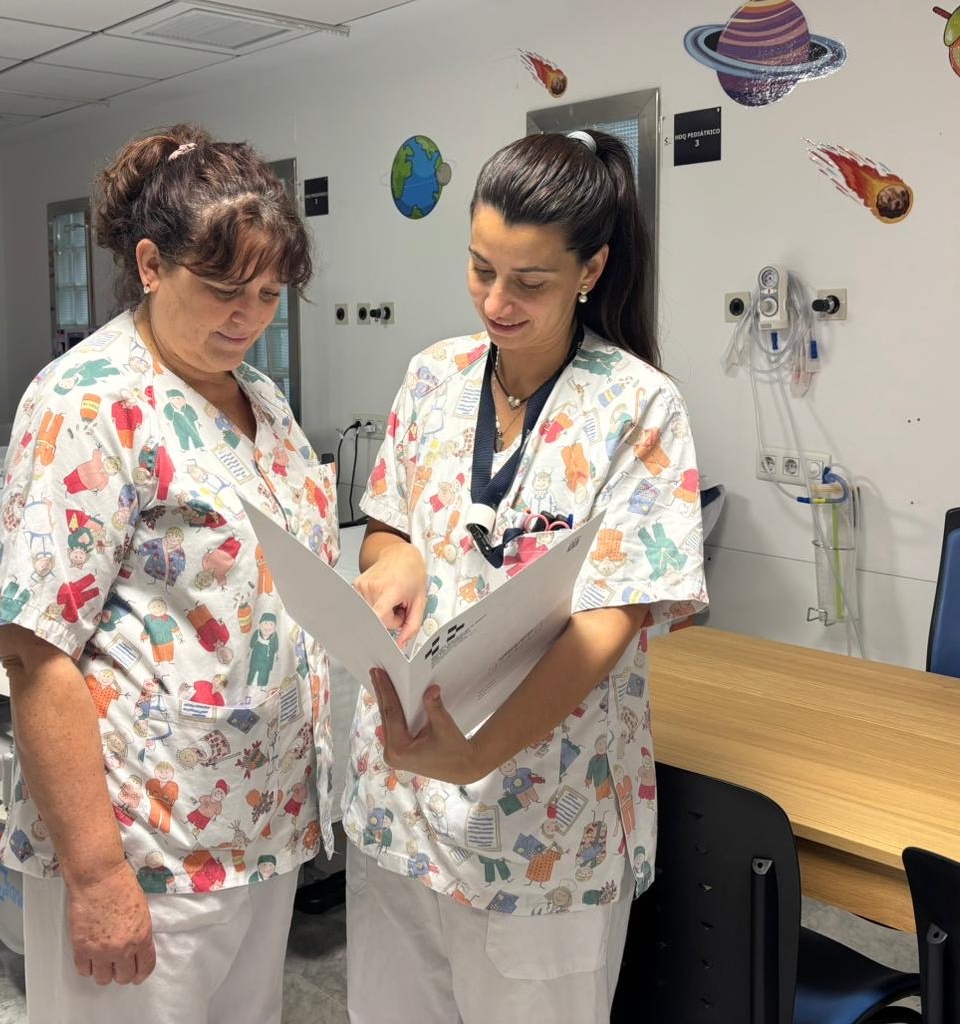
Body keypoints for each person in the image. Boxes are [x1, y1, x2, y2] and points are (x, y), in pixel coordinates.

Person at [345, 129, 707, 1023]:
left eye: (529, 282)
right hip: (400, 792)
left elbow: (610, 618)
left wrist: (481, 750)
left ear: (591, 270)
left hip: (549, 811)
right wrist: (394, 560)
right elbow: (389, 523)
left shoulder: (637, 406)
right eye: (480, 269)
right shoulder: (434, 377)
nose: (496, 301)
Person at [0, 123, 338, 1024]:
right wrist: (99, 877)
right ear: (150, 264)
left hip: (257, 820)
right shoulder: (90, 401)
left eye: (267, 294)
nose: (247, 318)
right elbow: (35, 651)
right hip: (143, 834)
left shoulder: (256, 394)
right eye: (223, 290)